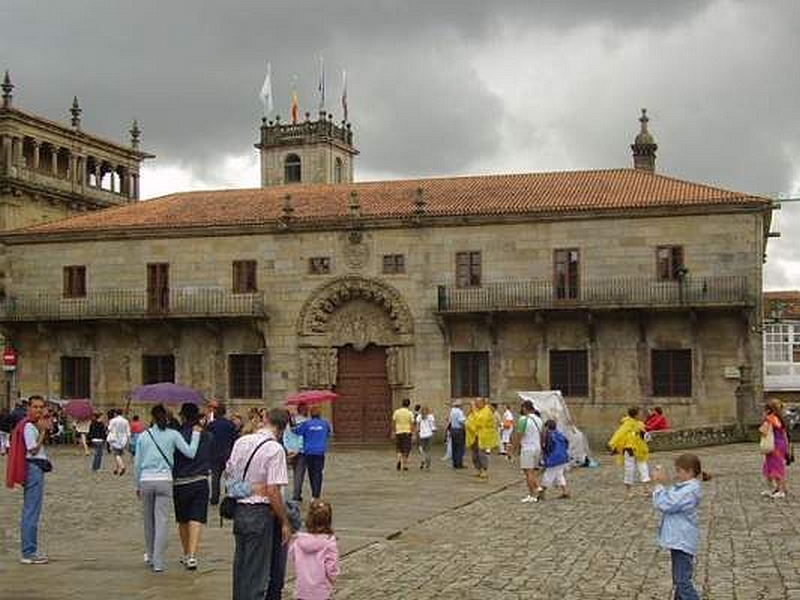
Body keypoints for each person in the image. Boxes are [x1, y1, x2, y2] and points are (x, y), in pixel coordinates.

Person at [226, 406, 290, 600]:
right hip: (261, 513)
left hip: (240, 510)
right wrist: (285, 521)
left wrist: (248, 487)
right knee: (256, 573)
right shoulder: (275, 449)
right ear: (283, 428)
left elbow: (229, 473)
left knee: (242, 567)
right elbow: (273, 490)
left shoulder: (242, 441)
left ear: (266, 420)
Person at [134, 403, 201, 573]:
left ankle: (150, 554)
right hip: (165, 480)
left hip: (146, 480)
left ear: (152, 418)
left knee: (148, 522)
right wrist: (195, 435)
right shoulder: (173, 435)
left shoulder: (143, 436)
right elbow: (190, 452)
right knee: (162, 522)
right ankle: (158, 562)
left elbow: (137, 464)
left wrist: (137, 485)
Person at [652, 453, 703, 600]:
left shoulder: (689, 490)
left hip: (682, 540)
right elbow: (670, 497)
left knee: (682, 580)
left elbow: (665, 504)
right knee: (679, 578)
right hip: (679, 539)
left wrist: (659, 484)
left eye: (679, 471)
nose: (677, 474)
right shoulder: (686, 487)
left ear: (689, 472)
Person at [172, 402, 213, 570]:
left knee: (182, 519)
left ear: (183, 416)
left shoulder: (177, 435)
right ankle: (192, 556)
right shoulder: (207, 435)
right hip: (200, 480)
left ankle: (186, 552)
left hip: (181, 481)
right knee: (196, 518)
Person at [11, 395, 51, 564]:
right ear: (28, 408)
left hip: (35, 468)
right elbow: (33, 450)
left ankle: (29, 550)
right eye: (35, 407)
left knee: (32, 509)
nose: (39, 410)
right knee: (31, 511)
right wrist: (42, 431)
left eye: (41, 407)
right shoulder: (28, 426)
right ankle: (29, 552)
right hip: (33, 468)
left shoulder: (31, 425)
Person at [288, 499, 339, 600]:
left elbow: (291, 555)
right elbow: (331, 566)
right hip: (321, 589)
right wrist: (333, 578)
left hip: (302, 587)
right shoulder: (329, 543)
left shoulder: (299, 540)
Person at [608, 407, 651, 497]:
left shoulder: (640, 424)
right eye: (640, 413)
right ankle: (628, 491)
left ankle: (646, 489)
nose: (641, 415)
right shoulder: (626, 424)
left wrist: (645, 435)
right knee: (629, 469)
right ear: (635, 415)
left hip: (640, 449)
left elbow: (645, 435)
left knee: (643, 468)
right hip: (629, 449)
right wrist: (612, 445)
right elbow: (618, 434)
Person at [294, 405, 332, 500]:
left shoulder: (306, 424)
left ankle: (314, 494)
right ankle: (316, 495)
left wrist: (292, 424)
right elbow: (328, 433)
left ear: (310, 414)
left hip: (309, 452)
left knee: (311, 473)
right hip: (320, 452)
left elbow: (297, 432)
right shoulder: (325, 423)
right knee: (318, 473)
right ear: (320, 414)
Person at [511, 400, 543, 503]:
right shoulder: (539, 419)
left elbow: (519, 435)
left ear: (524, 408)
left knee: (528, 472)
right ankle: (538, 488)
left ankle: (532, 494)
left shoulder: (523, 420)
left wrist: (514, 449)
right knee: (530, 471)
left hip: (528, 448)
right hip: (537, 447)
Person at [207, 402, 238, 505]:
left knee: (215, 477)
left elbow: (208, 439)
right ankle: (229, 496)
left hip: (215, 454)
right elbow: (234, 439)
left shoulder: (212, 425)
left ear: (216, 412)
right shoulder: (230, 424)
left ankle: (214, 498)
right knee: (228, 476)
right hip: (228, 454)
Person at [760, 399, 789, 499]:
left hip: (773, 445)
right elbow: (785, 434)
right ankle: (774, 489)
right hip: (780, 444)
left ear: (769, 409)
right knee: (771, 466)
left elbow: (763, 431)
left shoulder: (770, 419)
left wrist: (764, 420)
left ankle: (780, 490)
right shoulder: (780, 418)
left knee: (775, 467)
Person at [465, 398, 499, 479]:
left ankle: (484, 470)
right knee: (474, 454)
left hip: (483, 437)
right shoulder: (475, 411)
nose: (476, 404)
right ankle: (478, 469)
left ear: (483, 403)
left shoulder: (487, 411)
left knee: (481, 454)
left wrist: (473, 410)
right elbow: (469, 420)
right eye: (475, 403)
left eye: (478, 403)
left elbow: (480, 422)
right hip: (474, 436)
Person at [537, 419, 570, 501]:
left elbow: (547, 448)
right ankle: (565, 492)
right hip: (563, 457)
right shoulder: (559, 434)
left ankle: (542, 493)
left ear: (547, 427)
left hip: (554, 459)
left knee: (548, 476)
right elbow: (567, 443)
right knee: (559, 475)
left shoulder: (549, 435)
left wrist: (545, 458)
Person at [288, 403, 310, 502]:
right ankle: (296, 495)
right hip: (301, 451)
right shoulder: (307, 422)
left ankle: (297, 493)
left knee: (295, 471)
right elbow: (302, 437)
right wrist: (299, 449)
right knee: (299, 473)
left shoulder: (291, 421)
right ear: (303, 410)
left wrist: (288, 449)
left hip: (291, 450)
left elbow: (286, 436)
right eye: (307, 408)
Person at [392, 399, 415, 471]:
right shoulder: (410, 413)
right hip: (407, 432)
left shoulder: (397, 412)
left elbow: (393, 422)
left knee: (399, 447)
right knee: (406, 448)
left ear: (402, 404)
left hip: (398, 431)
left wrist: (393, 431)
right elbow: (412, 424)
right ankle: (405, 465)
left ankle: (398, 460)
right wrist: (413, 433)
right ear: (408, 405)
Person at [107, 408, 131, 476]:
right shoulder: (125, 421)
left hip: (114, 438)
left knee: (116, 454)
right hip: (123, 439)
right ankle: (117, 469)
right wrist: (128, 441)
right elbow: (128, 432)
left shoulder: (112, 420)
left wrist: (107, 434)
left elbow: (109, 429)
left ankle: (122, 467)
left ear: (115, 413)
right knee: (119, 454)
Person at [416, 406, 436, 470]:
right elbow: (433, 426)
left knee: (422, 449)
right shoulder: (431, 417)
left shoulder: (419, 417)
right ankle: (428, 465)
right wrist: (434, 431)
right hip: (429, 435)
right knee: (428, 450)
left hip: (422, 435)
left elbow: (418, 427)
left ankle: (423, 459)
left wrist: (417, 433)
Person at [448, 399, 466, 469]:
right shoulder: (459, 412)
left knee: (454, 447)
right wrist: (465, 426)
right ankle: (459, 463)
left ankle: (455, 463)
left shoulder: (452, 411)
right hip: (459, 430)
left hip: (453, 429)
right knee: (460, 448)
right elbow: (461, 421)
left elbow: (450, 420)